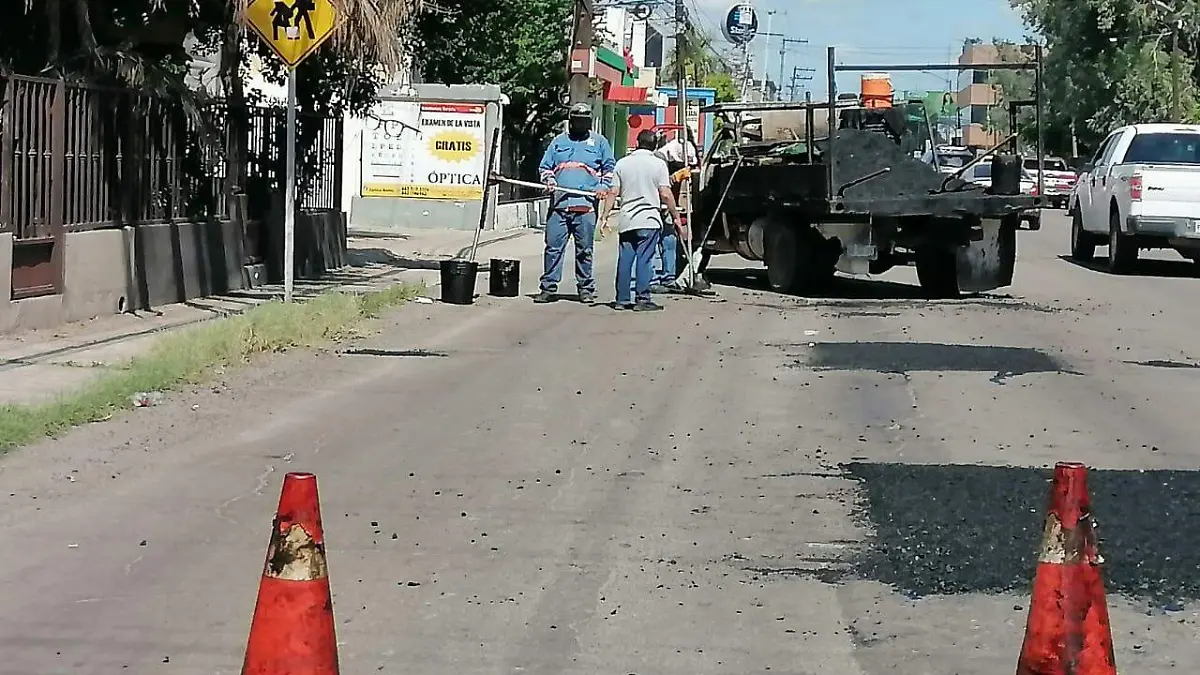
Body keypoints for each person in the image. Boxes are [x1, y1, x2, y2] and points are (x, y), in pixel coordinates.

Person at [534, 103, 615, 304]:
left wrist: (603, 187)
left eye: (584, 121)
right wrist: (549, 180)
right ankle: (548, 287)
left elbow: (609, 168)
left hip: (585, 206)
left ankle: (586, 288)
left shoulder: (599, 143)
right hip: (559, 207)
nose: (580, 124)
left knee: (584, 250)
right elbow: (545, 167)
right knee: (553, 248)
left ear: (588, 122)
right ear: (571, 121)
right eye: (576, 120)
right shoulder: (558, 142)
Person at [601, 129, 685, 311]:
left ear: (638, 143)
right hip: (649, 220)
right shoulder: (658, 165)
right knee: (645, 260)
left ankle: (622, 300)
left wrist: (604, 217)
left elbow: (613, 192)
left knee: (625, 260)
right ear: (655, 145)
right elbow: (665, 193)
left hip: (627, 220)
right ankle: (642, 299)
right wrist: (675, 216)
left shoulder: (622, 164)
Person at [651, 129, 700, 292]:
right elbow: (662, 187)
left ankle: (668, 277)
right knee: (653, 242)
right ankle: (651, 280)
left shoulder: (685, 152)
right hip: (655, 205)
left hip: (668, 206)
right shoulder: (658, 160)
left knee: (669, 240)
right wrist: (675, 177)